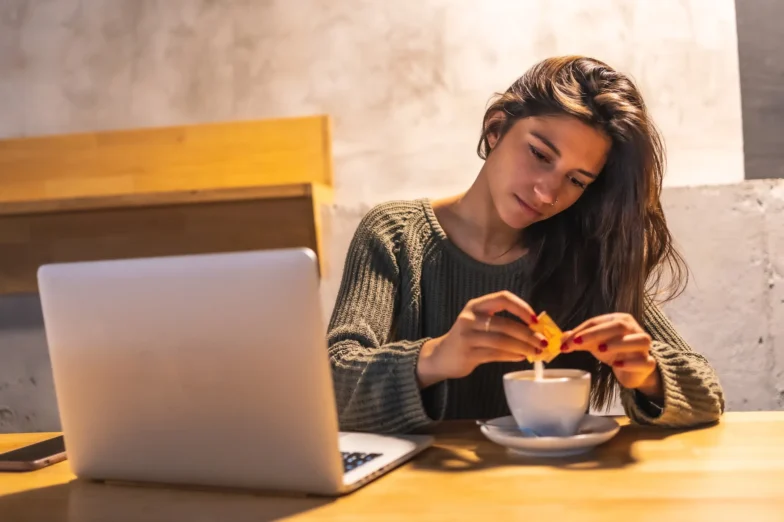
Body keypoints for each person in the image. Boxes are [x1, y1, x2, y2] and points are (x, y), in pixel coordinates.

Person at [327, 56, 725, 434]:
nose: (547, 192)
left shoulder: (582, 256)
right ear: (495, 128)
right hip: (418, 495)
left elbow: (708, 394)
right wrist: (437, 356)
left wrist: (649, 373)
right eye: (539, 154)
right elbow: (333, 384)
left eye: (577, 181)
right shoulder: (394, 234)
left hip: (554, 488)